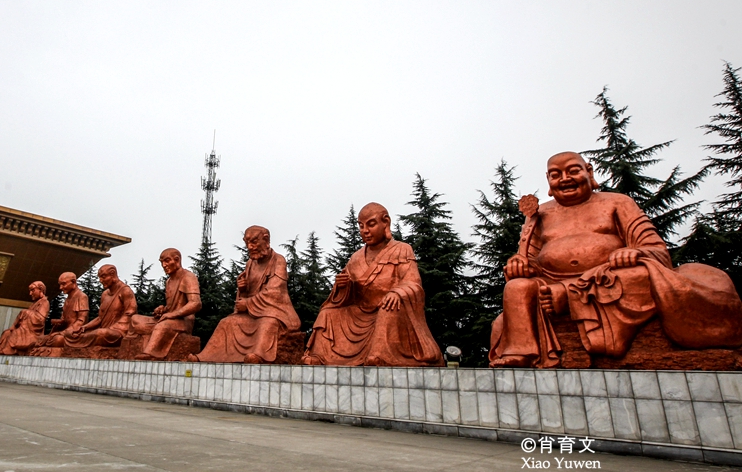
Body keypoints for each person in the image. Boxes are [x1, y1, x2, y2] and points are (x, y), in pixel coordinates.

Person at [489, 151, 742, 368]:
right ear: (548, 180)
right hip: (551, 279)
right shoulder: (540, 214)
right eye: (556, 175)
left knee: (640, 276)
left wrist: (635, 252)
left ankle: (567, 296)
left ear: (589, 171)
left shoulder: (617, 203)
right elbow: (530, 259)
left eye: (573, 171)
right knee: (517, 287)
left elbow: (657, 250)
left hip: (607, 275)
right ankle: (521, 352)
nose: (564, 179)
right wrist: (518, 263)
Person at [302, 203, 443, 366]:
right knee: (327, 313)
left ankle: (380, 355)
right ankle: (321, 356)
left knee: (388, 307)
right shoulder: (356, 257)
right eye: (361, 226)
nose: (365, 231)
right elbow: (347, 297)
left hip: (389, 309)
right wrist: (343, 287)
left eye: (371, 224)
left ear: (386, 223)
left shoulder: (402, 250)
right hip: (360, 313)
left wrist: (397, 293)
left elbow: (413, 283)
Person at [194, 226, 301, 363]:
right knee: (227, 323)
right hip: (253, 313)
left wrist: (248, 303)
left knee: (268, 323)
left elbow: (275, 291)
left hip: (275, 312)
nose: (250, 247)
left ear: (266, 240)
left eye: (254, 242)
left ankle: (259, 355)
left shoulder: (278, 260)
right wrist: (242, 290)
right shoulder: (250, 264)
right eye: (247, 243)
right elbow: (245, 296)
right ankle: (206, 357)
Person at [129, 248, 202, 360]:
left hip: (183, 321)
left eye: (167, 261)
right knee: (135, 319)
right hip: (168, 318)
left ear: (177, 260)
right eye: (162, 262)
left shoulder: (188, 277)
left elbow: (196, 303)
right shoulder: (169, 281)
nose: (164, 265)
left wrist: (172, 315)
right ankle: (135, 348)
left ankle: (151, 354)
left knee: (163, 325)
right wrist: (163, 309)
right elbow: (171, 306)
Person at [60, 264, 137, 349]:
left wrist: (112, 328)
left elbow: (130, 313)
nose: (101, 280)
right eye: (99, 277)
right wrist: (84, 327)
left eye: (103, 277)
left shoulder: (125, 291)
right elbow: (100, 318)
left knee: (101, 334)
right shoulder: (105, 294)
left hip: (119, 332)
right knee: (72, 334)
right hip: (103, 330)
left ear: (112, 274)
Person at [0, 281, 50, 355]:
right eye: (30, 291)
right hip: (26, 328)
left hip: (34, 332)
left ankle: (7, 350)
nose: (30, 293)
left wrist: (26, 313)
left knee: (16, 332)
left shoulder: (44, 302)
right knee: (7, 332)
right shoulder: (33, 304)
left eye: (33, 290)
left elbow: (40, 320)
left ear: (40, 289)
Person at [33, 271, 89, 350]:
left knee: (57, 340)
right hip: (64, 332)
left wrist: (63, 333)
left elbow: (81, 321)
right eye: (60, 284)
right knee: (40, 339)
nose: (61, 288)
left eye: (63, 284)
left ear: (73, 282)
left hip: (75, 334)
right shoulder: (67, 300)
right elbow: (65, 320)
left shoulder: (82, 297)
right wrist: (58, 323)